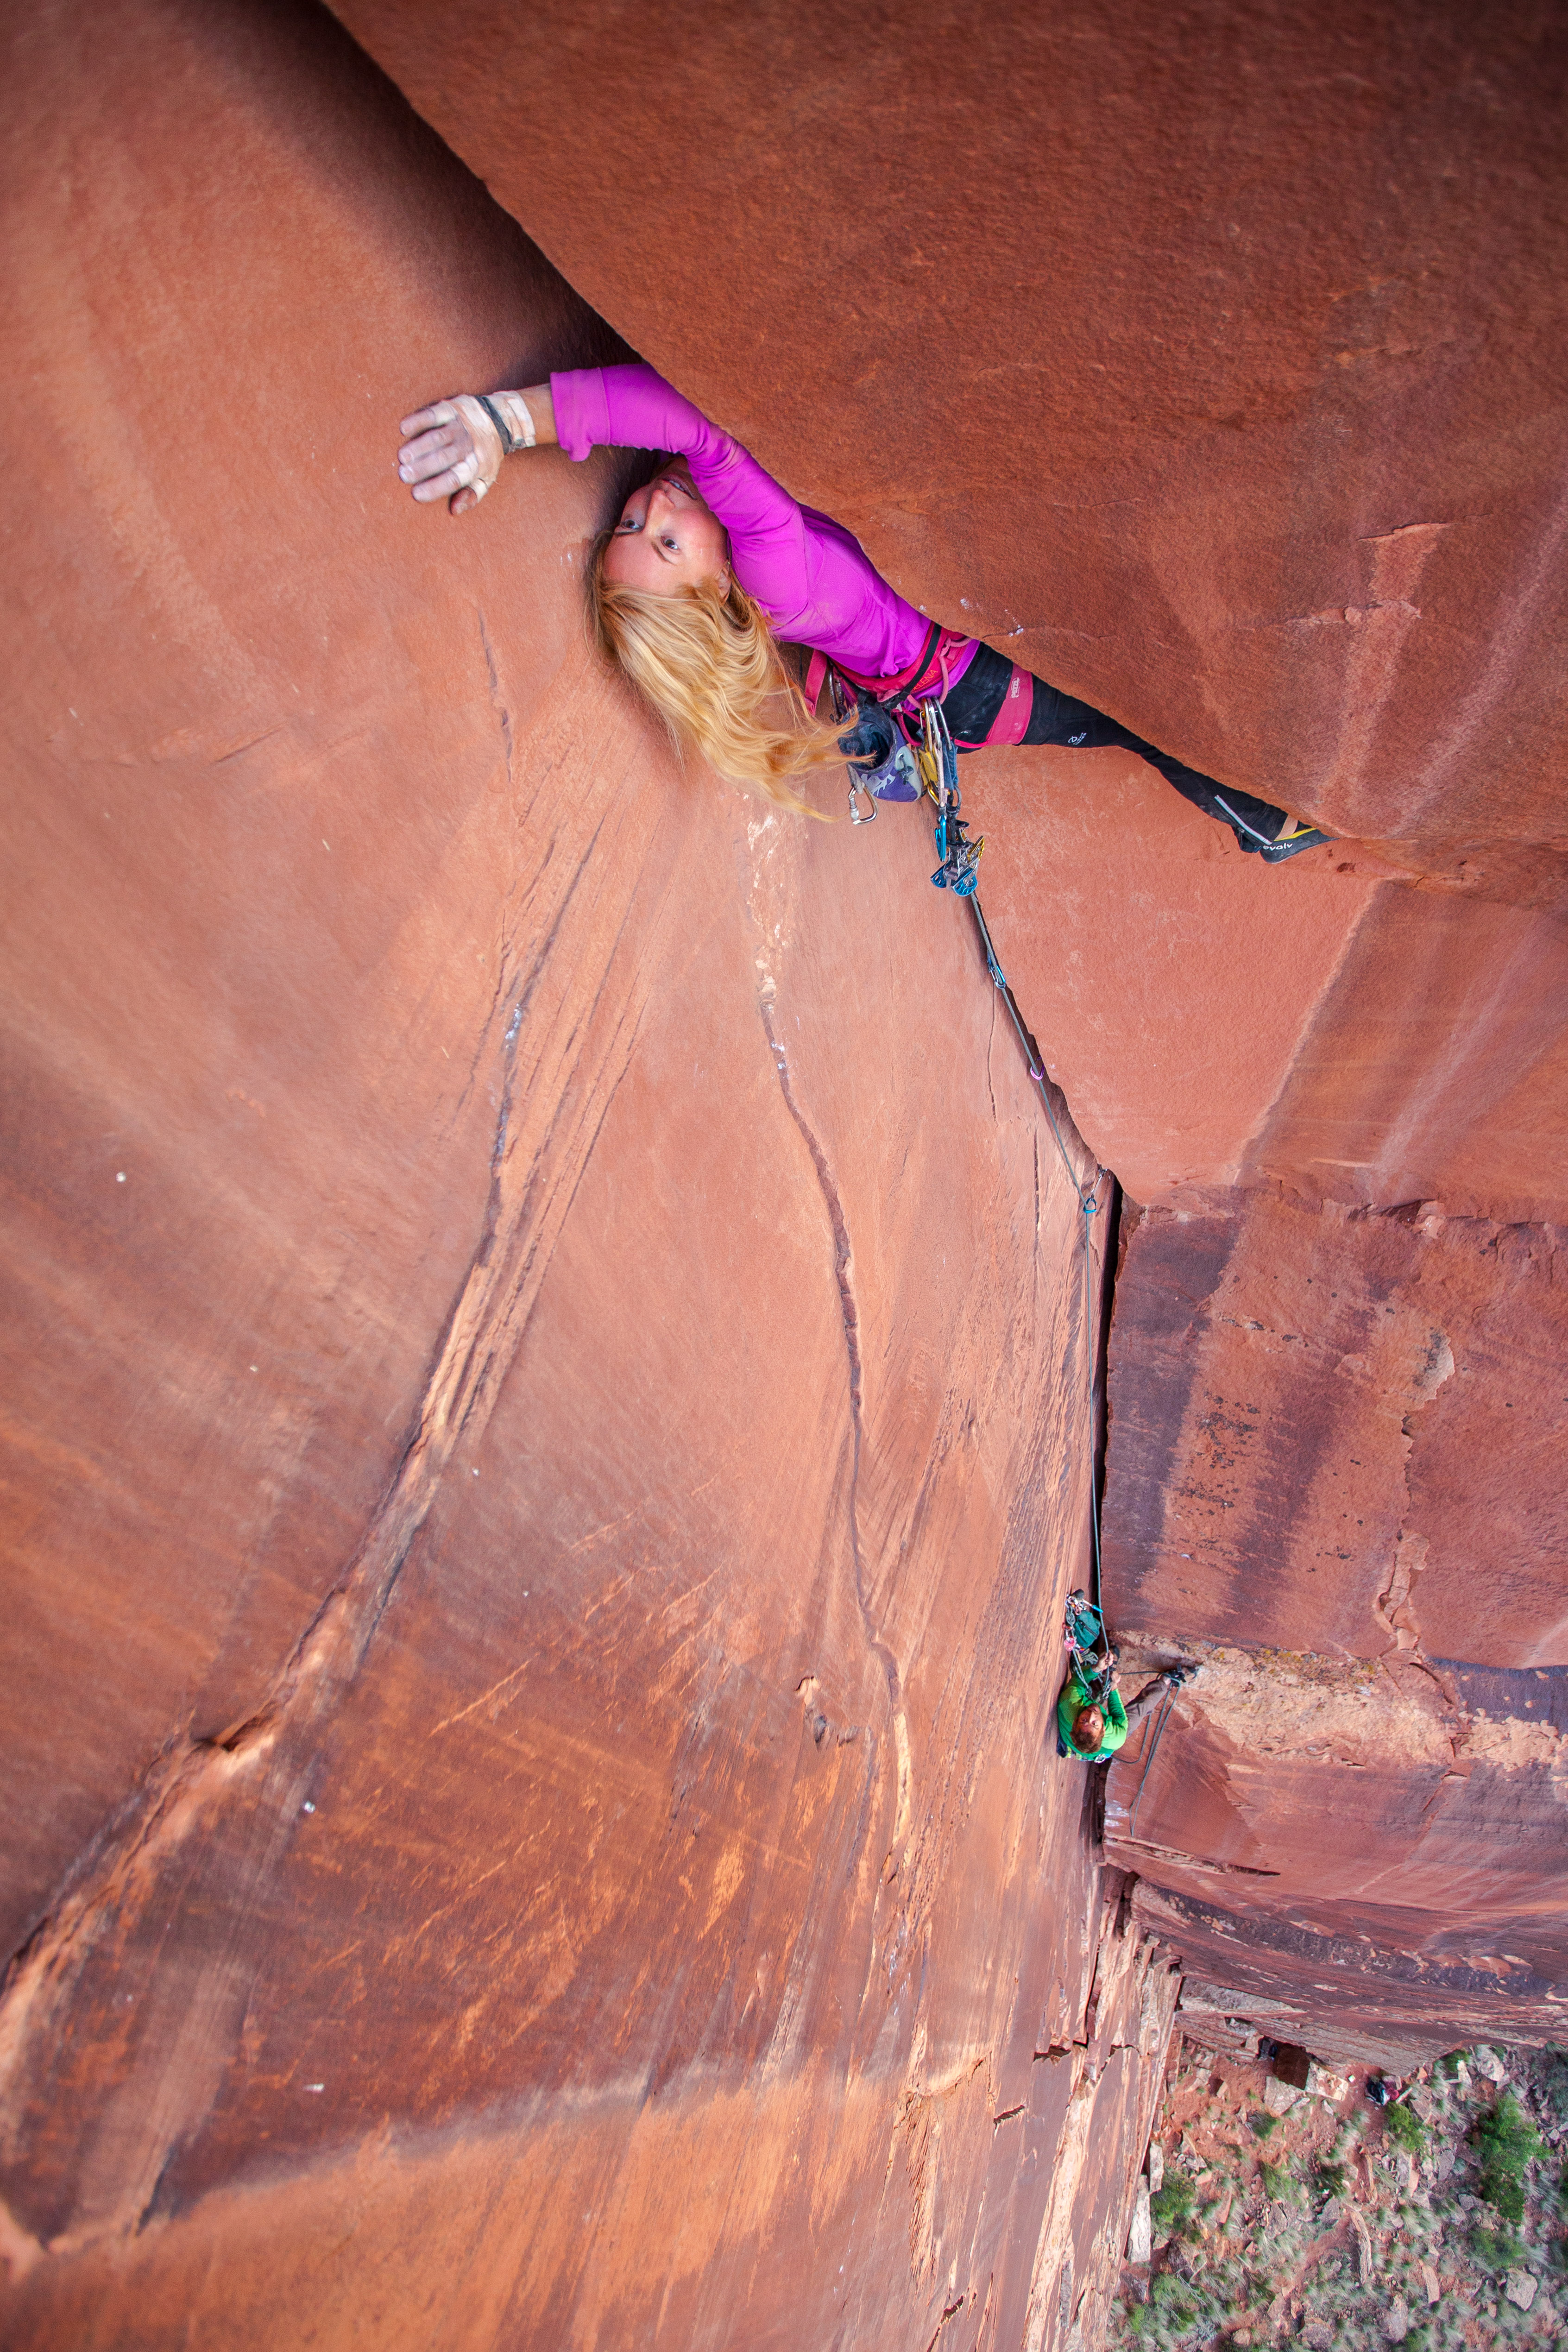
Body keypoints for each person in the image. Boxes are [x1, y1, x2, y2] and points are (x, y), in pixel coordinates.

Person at [397, 368, 1332, 858]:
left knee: (1134, 712)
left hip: (944, 681)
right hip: (977, 688)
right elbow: (700, 431)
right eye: (665, 542)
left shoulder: (737, 555)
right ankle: (1272, 825)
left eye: (636, 521)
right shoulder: (769, 568)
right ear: (716, 590)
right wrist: (511, 423)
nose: (658, 504)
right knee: (1139, 718)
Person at [1057, 1659, 1191, 1763]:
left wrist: (1097, 1668)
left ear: (1076, 1720)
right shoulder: (1116, 1738)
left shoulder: (1069, 1703)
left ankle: (1107, 1667)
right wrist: (1113, 1688)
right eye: (1095, 1724)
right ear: (1104, 1729)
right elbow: (1119, 1715)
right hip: (1090, 1747)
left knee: (1096, 1683)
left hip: (1072, 1737)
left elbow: (1078, 1680)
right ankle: (1165, 1683)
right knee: (1139, 1710)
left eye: (1084, 1720)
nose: (1092, 1715)